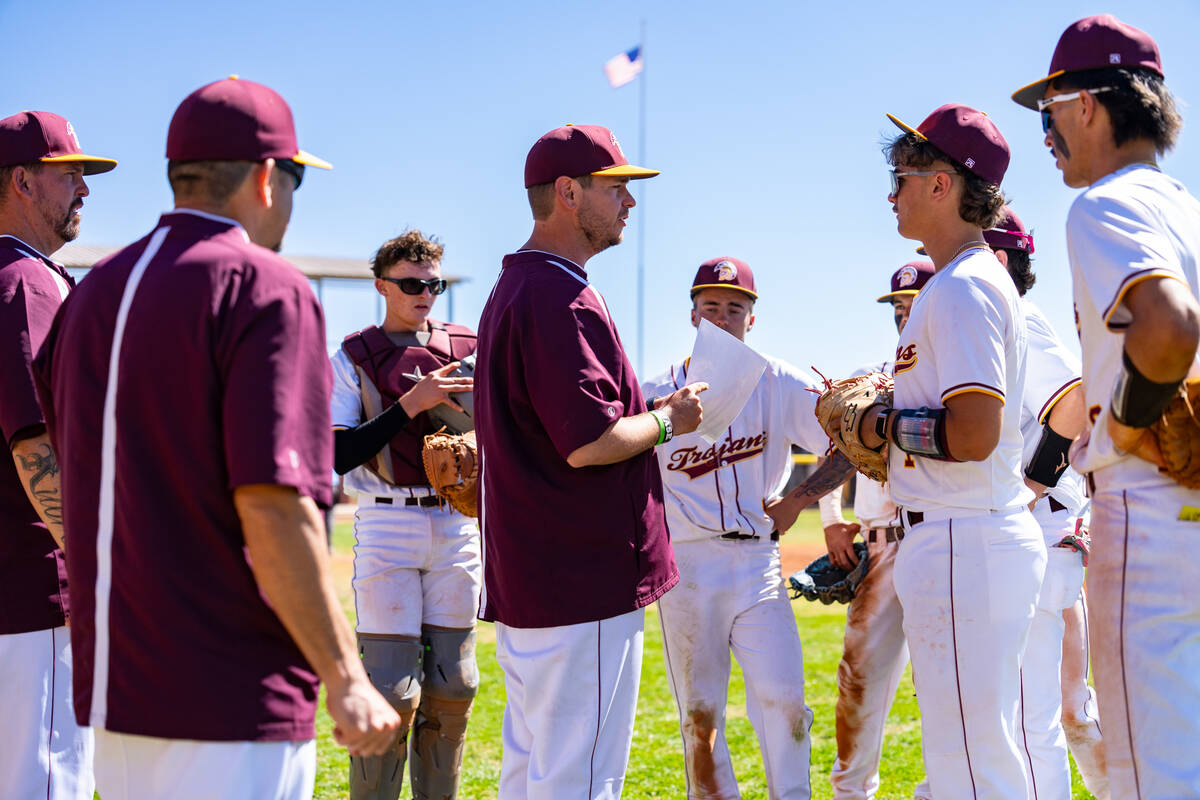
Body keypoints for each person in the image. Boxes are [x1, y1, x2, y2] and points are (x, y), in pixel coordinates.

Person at [32, 77, 399, 800]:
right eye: (294, 179)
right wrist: (345, 677)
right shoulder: (265, 285)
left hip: (116, 679)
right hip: (232, 686)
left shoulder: (90, 291)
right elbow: (274, 506)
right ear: (265, 178)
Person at [474, 123, 703, 800]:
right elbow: (588, 442)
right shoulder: (556, 292)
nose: (630, 202)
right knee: (579, 781)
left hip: (538, 575)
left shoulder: (521, 284)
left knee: (532, 774)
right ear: (569, 193)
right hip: (581, 577)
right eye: (616, 188)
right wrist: (669, 420)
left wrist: (649, 410)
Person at [1013, 14, 1200, 797]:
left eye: (1050, 112)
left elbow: (1169, 328)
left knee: (1155, 773)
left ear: (1086, 104)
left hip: (1150, 509)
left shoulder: (1104, 204)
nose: (1047, 135)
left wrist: (1119, 427)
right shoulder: (1185, 204)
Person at [853, 103, 1046, 799]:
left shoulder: (963, 287)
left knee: (975, 766)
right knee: (969, 758)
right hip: (959, 536)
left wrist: (883, 424)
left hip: (965, 538)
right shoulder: (958, 283)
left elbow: (972, 433)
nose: (891, 194)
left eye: (901, 177)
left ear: (942, 184)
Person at [642, 257, 829, 800]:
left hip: (757, 563)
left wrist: (800, 501)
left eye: (734, 307)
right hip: (687, 565)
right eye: (711, 307)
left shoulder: (780, 381)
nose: (722, 318)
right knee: (700, 714)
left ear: (752, 317)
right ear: (693, 316)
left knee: (785, 700)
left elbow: (849, 439)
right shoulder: (655, 390)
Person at [331, 229, 479, 800]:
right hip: (387, 520)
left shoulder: (467, 345)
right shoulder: (354, 355)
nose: (425, 294)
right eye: (412, 284)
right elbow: (339, 452)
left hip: (455, 520)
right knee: (391, 692)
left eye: (434, 285)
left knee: (455, 686)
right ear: (381, 286)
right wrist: (411, 405)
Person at [0, 110, 113, 800]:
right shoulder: (26, 281)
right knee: (43, 783)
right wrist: (102, 568)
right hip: (35, 589)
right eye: (69, 174)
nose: (85, 189)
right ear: (21, 181)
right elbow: (35, 443)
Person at [983, 208, 1107, 800]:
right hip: (1029, 531)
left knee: (1034, 723)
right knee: (1020, 720)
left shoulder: (1019, 317)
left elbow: (1074, 403)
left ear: (998, 259)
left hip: (1038, 528)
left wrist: (1028, 489)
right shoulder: (995, 321)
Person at [820, 260, 935, 800]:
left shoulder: (957, 372)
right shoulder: (872, 375)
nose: (904, 314)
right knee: (859, 679)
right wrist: (830, 519)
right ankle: (851, 793)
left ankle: (943, 789)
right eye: (898, 306)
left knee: (943, 682)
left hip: (939, 539)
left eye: (915, 303)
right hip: (882, 545)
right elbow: (833, 450)